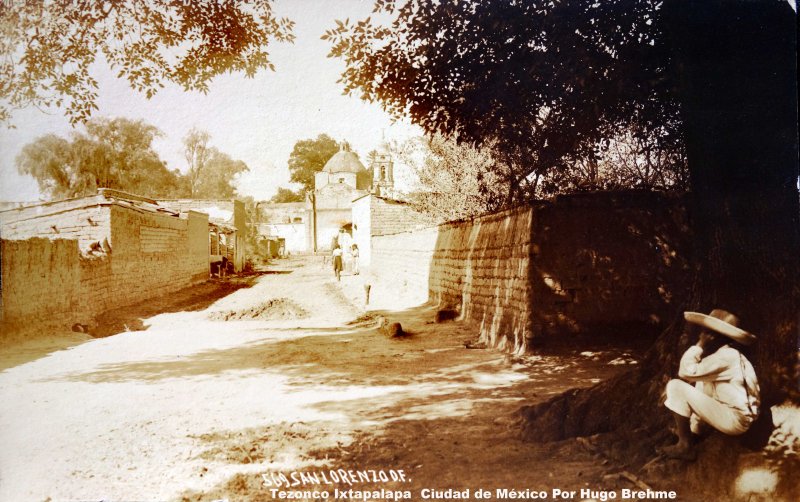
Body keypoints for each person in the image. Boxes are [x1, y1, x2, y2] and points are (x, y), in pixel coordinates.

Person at [660, 309, 760, 460]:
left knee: (675, 385)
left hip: (735, 420)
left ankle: (684, 445)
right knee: (701, 380)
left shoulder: (726, 357)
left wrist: (700, 345)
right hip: (739, 417)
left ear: (713, 336)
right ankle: (695, 431)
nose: (701, 334)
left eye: (705, 332)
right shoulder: (728, 354)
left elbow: (685, 372)